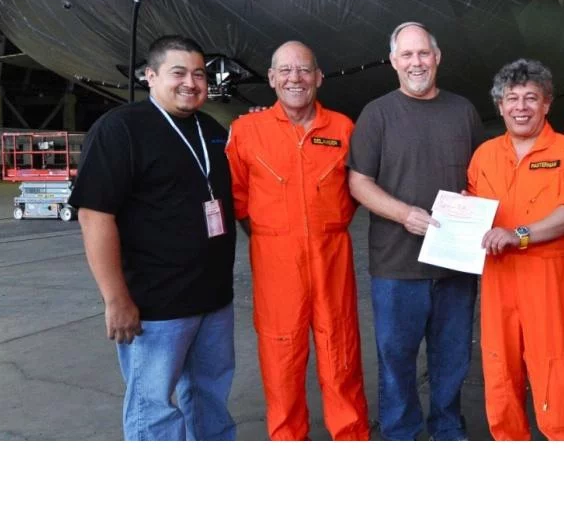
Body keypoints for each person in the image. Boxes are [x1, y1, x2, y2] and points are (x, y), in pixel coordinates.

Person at [69, 34, 237, 441]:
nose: (191, 83)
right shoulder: (121, 129)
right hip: (156, 307)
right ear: (150, 76)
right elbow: (94, 215)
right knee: (153, 408)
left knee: (211, 400)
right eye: (178, 72)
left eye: (199, 74)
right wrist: (116, 298)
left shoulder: (211, 129)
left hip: (213, 301)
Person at [347, 22, 485, 440]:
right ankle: (400, 436)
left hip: (454, 264)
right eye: (406, 55)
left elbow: (483, 174)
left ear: (437, 57)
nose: (416, 62)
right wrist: (404, 213)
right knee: (396, 363)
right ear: (393, 62)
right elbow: (358, 182)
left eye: (423, 53)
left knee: (452, 360)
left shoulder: (463, 111)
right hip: (396, 267)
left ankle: (447, 431)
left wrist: (473, 198)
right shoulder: (377, 114)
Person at [226, 41, 369, 440]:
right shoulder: (246, 131)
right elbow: (237, 197)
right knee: (281, 361)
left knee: (340, 354)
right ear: (271, 79)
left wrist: (326, 226)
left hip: (332, 258)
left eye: (304, 70)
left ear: (319, 78)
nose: (295, 78)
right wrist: (274, 237)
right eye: (285, 70)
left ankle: (351, 438)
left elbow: (357, 190)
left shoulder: (343, 129)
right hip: (276, 266)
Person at [468, 59, 564, 440]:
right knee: (499, 371)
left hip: (546, 276)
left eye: (531, 98)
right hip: (497, 277)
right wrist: (463, 213)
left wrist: (520, 234)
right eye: (512, 98)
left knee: (555, 371)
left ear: (546, 104)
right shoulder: (485, 155)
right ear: (500, 105)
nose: (521, 106)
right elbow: (477, 206)